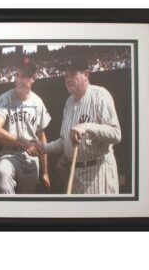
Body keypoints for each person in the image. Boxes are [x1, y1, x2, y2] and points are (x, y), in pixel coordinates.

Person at [36, 57, 121, 194]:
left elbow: (116, 134)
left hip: (98, 171)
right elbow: (65, 141)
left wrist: (87, 126)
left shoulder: (100, 96)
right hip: (75, 174)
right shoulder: (69, 102)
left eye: (73, 74)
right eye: (66, 76)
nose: (68, 79)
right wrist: (43, 148)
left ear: (86, 75)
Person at [0, 58, 51, 194]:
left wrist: (45, 172)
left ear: (33, 78)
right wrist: (23, 141)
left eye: (24, 76)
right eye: (17, 75)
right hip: (9, 153)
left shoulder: (38, 102)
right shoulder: (5, 98)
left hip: (31, 158)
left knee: (26, 201)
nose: (19, 80)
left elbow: (42, 137)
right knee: (3, 175)